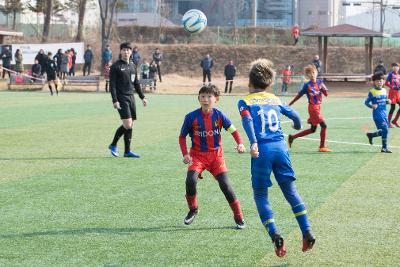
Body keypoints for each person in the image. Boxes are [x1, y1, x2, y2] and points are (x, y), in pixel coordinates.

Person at [238, 59, 314, 257]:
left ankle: (275, 235)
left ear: (249, 82)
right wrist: (297, 126)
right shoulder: (274, 99)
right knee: (290, 191)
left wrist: (253, 142)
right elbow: (295, 116)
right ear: (269, 83)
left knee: (261, 194)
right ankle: (306, 231)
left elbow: (247, 121)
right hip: (281, 149)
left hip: (262, 150)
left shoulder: (245, 101)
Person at [179, 84, 246, 229]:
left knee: (225, 185)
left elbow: (234, 131)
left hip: (216, 157)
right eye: (203, 96)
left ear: (216, 99)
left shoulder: (219, 116)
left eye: (209, 96)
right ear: (198, 98)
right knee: (190, 181)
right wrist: (185, 154)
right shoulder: (191, 117)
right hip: (197, 156)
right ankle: (193, 209)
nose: (206, 99)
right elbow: (182, 137)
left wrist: (240, 143)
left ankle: (238, 216)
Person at [108, 42, 148, 158]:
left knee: (130, 125)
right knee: (128, 124)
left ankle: (127, 151)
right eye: (124, 50)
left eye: (128, 50)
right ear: (121, 51)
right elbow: (113, 86)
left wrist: (142, 97)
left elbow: (136, 83)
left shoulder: (133, 65)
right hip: (121, 98)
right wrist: (115, 100)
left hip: (131, 97)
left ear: (131, 52)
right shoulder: (116, 67)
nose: (126, 52)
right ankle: (113, 144)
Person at [288, 64, 331, 152]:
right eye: (309, 73)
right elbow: (298, 96)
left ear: (316, 72)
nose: (312, 74)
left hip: (318, 107)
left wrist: (324, 88)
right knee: (324, 126)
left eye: (313, 72)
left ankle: (292, 137)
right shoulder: (307, 86)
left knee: (313, 129)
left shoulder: (320, 82)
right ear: (307, 76)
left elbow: (326, 94)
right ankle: (322, 147)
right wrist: (290, 104)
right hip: (313, 108)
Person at [365, 73, 391, 153]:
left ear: (383, 81)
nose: (379, 82)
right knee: (385, 130)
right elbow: (366, 102)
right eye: (377, 81)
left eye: (381, 81)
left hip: (384, 113)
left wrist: (388, 101)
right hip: (377, 114)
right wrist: (371, 106)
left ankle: (371, 135)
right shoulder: (372, 92)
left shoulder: (384, 90)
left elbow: (384, 101)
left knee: (385, 130)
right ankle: (384, 148)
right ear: (374, 82)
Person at [384, 63, 400, 127]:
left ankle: (395, 121)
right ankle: (388, 123)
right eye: (394, 66)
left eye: (397, 66)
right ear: (392, 68)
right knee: (393, 108)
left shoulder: (399, 75)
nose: (396, 67)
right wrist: (392, 87)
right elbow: (386, 83)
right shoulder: (391, 74)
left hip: (398, 93)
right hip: (392, 93)